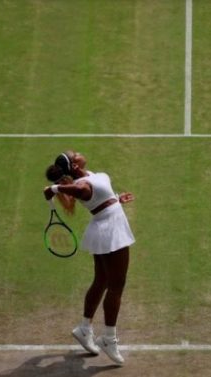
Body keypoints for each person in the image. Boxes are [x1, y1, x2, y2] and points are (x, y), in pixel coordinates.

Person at [43, 150, 135, 365]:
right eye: (74, 154)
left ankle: (84, 329)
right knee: (116, 285)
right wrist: (55, 188)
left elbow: (96, 197)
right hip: (110, 231)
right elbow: (78, 189)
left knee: (102, 281)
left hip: (105, 225)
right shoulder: (81, 184)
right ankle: (108, 338)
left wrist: (116, 200)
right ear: (74, 166)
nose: (79, 152)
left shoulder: (89, 176)